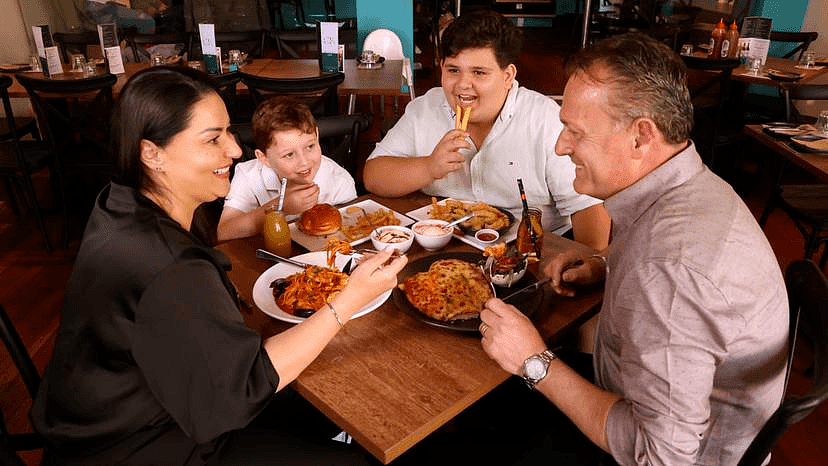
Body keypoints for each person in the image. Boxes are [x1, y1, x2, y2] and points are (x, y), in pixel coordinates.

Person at [30, 66, 406, 465]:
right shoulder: (168, 264)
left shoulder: (119, 201)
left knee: (320, 401)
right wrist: (348, 300)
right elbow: (244, 386)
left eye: (229, 131)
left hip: (116, 412)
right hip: (143, 442)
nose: (235, 149)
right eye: (213, 139)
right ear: (151, 153)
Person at [478, 33, 789, 465]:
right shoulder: (684, 184)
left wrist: (534, 361)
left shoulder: (670, 272)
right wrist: (606, 263)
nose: (560, 145)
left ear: (641, 137)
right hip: (634, 391)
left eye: (574, 130)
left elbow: (661, 457)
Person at [362, 10, 610, 251]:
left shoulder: (544, 120)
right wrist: (429, 167)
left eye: (479, 73)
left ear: (507, 75)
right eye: (453, 70)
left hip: (533, 251)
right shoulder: (425, 108)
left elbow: (588, 210)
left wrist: (584, 265)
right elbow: (373, 176)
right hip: (446, 249)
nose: (462, 85)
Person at [217, 96, 357, 241]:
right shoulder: (247, 175)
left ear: (317, 135)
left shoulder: (339, 179)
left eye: (310, 146)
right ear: (263, 158)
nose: (304, 162)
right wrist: (280, 206)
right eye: (289, 154)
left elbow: (349, 231)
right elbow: (224, 232)